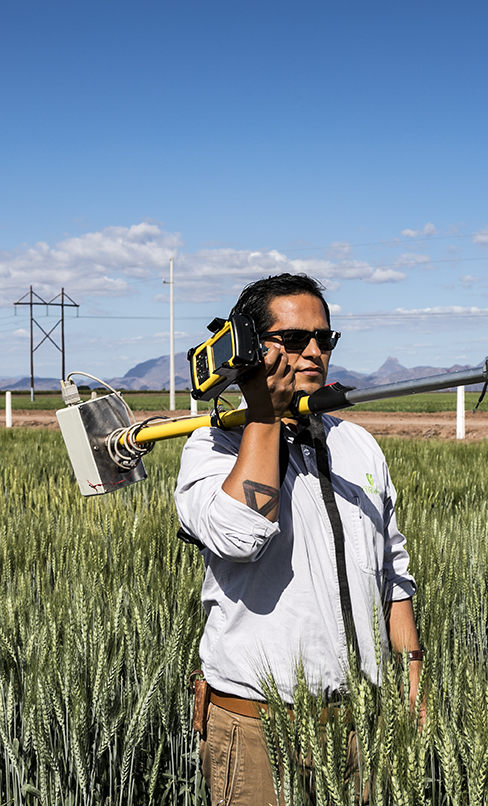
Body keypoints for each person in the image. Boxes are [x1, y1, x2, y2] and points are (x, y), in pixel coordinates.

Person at [174, 273, 423, 805]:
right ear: (249, 346)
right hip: (256, 729)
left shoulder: (357, 445)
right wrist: (263, 415)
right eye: (292, 340)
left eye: (324, 338)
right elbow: (240, 535)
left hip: (358, 727)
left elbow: (392, 577)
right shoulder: (213, 446)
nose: (312, 351)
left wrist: (413, 689)